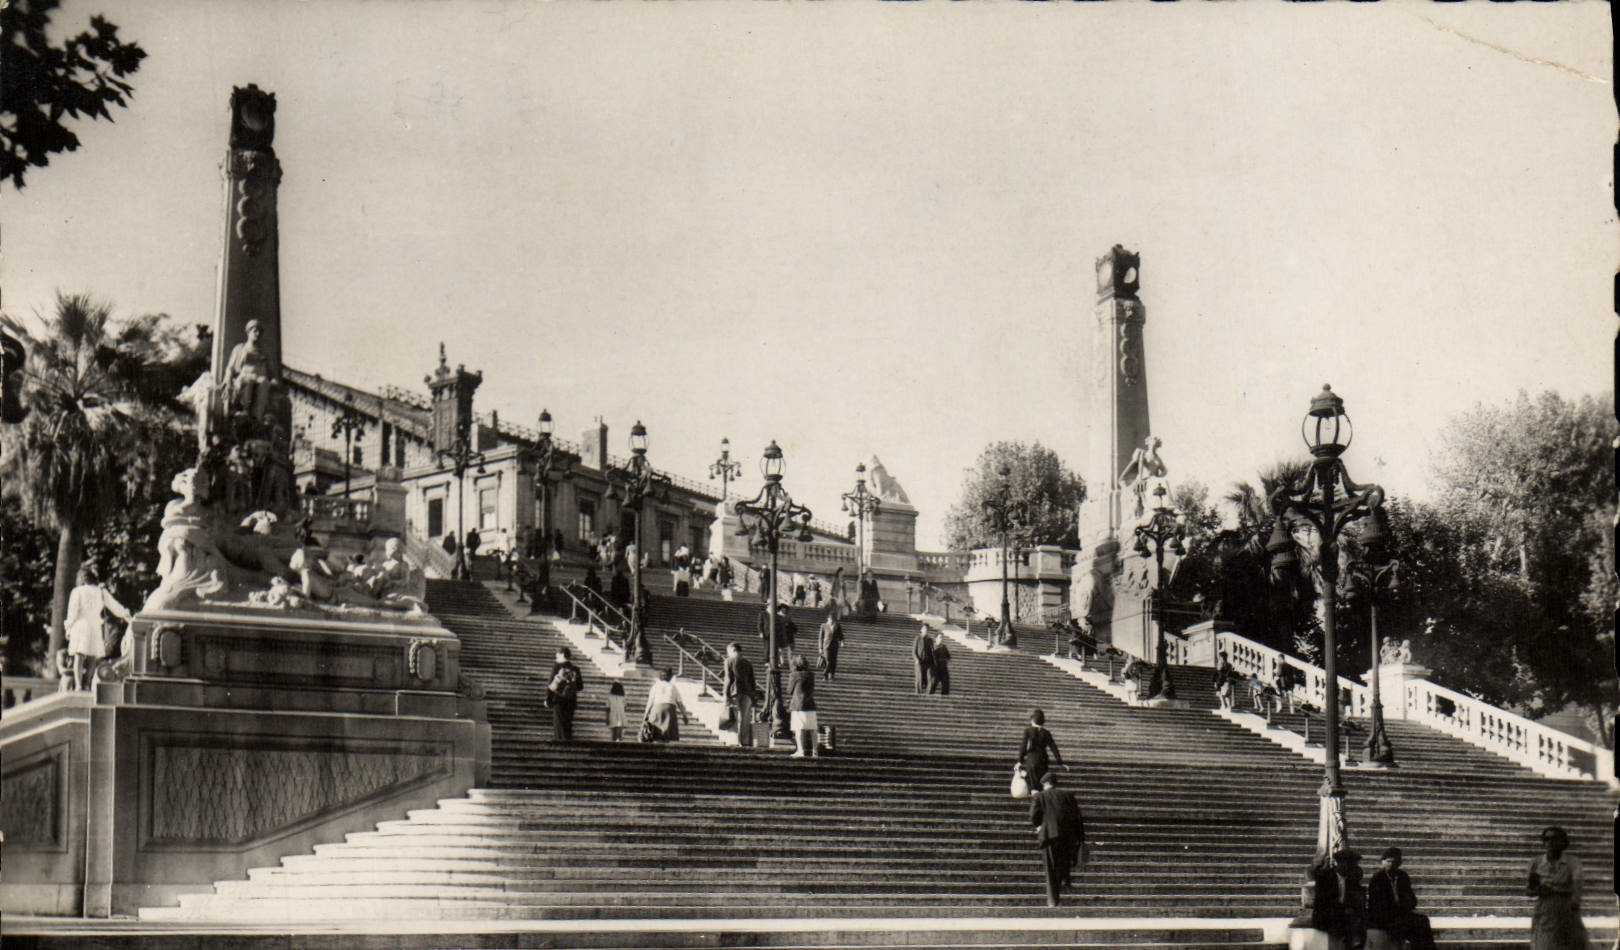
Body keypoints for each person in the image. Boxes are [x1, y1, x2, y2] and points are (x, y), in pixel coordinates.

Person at [65, 566, 131, 690]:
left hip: (81, 624)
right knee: (92, 656)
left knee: (79, 656)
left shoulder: (77, 591)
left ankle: (78, 685)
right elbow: (114, 606)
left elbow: (72, 612)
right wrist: (125, 614)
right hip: (95, 625)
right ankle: (87, 684)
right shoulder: (101, 591)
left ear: (82, 579)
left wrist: (69, 627)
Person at [1029, 772, 1085, 907]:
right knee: (1062, 863)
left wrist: (1039, 826)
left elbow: (1033, 816)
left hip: (1049, 836)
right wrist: (1081, 838)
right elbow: (1077, 817)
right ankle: (1064, 880)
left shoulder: (1040, 796)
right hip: (1066, 836)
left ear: (1045, 784)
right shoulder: (1068, 796)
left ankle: (1053, 900)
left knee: (1050, 868)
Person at [1528, 826, 1588, 950]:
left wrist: (1574, 903)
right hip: (1545, 908)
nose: (1550, 843)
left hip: (1566, 906)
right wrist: (1539, 890)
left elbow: (1577, 883)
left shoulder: (1573, 862)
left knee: (1569, 943)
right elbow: (1529, 889)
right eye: (1547, 839)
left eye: (1555, 839)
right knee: (1544, 943)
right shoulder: (1536, 863)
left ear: (1563, 842)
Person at [1366, 847, 1435, 950]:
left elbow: (1412, 900)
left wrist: (1406, 904)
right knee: (1408, 926)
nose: (1391, 865)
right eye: (1388, 861)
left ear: (1400, 862)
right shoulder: (1378, 879)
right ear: (1382, 862)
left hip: (1401, 914)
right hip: (1384, 917)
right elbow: (1377, 905)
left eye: (1395, 862)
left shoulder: (1403, 876)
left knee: (1422, 921)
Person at [1312, 849, 1367, 950]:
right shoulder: (1326, 878)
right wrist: (1343, 910)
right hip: (1328, 916)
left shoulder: (1352, 880)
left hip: (1345, 917)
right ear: (1340, 864)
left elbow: (1356, 901)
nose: (1353, 868)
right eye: (1350, 865)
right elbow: (1324, 902)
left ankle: (1356, 942)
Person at [1019, 708, 1067, 786]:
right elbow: (1053, 747)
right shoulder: (1046, 733)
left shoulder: (1028, 731)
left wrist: (1020, 761)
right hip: (1043, 760)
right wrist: (1060, 762)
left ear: (1032, 720)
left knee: (1033, 785)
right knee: (1042, 783)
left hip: (1032, 760)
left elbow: (1023, 746)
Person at [545, 647, 584, 741]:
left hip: (558, 700)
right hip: (571, 700)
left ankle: (561, 745)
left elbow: (551, 685)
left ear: (562, 655)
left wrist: (548, 699)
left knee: (559, 726)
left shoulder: (557, 667)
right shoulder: (575, 669)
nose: (556, 657)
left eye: (557, 654)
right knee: (568, 724)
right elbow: (580, 687)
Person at [723, 642, 758, 748]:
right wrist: (752, 694)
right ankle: (744, 741)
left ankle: (734, 740)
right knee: (745, 718)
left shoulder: (729, 661)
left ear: (733, 650)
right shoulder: (747, 662)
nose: (727, 654)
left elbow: (728, 678)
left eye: (728, 651)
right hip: (747, 693)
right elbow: (752, 680)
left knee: (733, 716)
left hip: (735, 692)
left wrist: (726, 693)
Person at [642, 667, 687, 742]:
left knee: (655, 732)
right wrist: (684, 715)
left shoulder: (655, 687)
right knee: (667, 734)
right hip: (670, 709)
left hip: (657, 708)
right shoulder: (673, 687)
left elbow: (650, 702)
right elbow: (680, 703)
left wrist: (645, 715)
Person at [787, 654, 818, 758]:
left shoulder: (794, 675)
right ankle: (815, 751)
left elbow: (789, 690)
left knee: (799, 728)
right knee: (812, 728)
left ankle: (801, 751)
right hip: (810, 703)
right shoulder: (811, 674)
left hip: (798, 704)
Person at [758, 603, 796, 668]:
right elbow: (760, 624)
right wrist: (761, 632)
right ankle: (767, 661)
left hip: (777, 634)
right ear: (768, 606)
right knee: (767, 647)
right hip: (767, 633)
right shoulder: (763, 614)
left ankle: (777, 661)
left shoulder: (777, 615)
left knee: (776, 649)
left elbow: (792, 627)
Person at [818, 612, 844, 682]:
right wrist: (820, 648)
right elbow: (820, 637)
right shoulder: (823, 626)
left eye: (833, 619)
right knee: (828, 661)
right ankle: (825, 674)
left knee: (834, 661)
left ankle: (832, 675)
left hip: (835, 646)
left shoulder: (837, 626)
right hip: (826, 646)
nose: (831, 621)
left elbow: (841, 635)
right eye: (830, 619)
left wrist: (842, 642)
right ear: (828, 619)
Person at [913, 625, 935, 694]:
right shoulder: (917, 639)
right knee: (919, 678)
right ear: (921, 630)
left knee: (930, 679)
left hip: (928, 663)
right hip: (919, 662)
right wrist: (916, 659)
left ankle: (928, 694)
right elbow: (914, 651)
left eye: (927, 629)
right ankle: (918, 694)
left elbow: (932, 652)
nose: (926, 630)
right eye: (924, 629)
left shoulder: (930, 640)